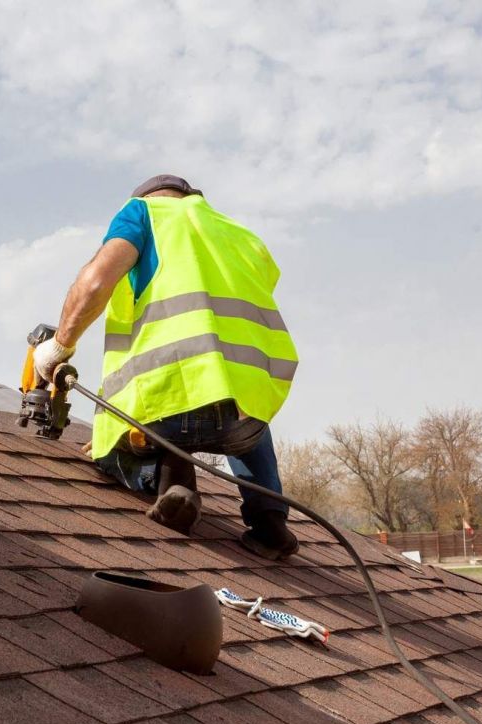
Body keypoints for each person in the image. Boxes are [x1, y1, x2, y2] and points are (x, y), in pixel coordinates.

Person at [33, 175, 300, 559]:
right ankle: (270, 521)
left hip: (166, 409)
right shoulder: (238, 234)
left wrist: (59, 347)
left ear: (149, 199)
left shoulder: (143, 214)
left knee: (112, 449)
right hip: (245, 413)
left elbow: (94, 283)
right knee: (245, 417)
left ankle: (173, 482)